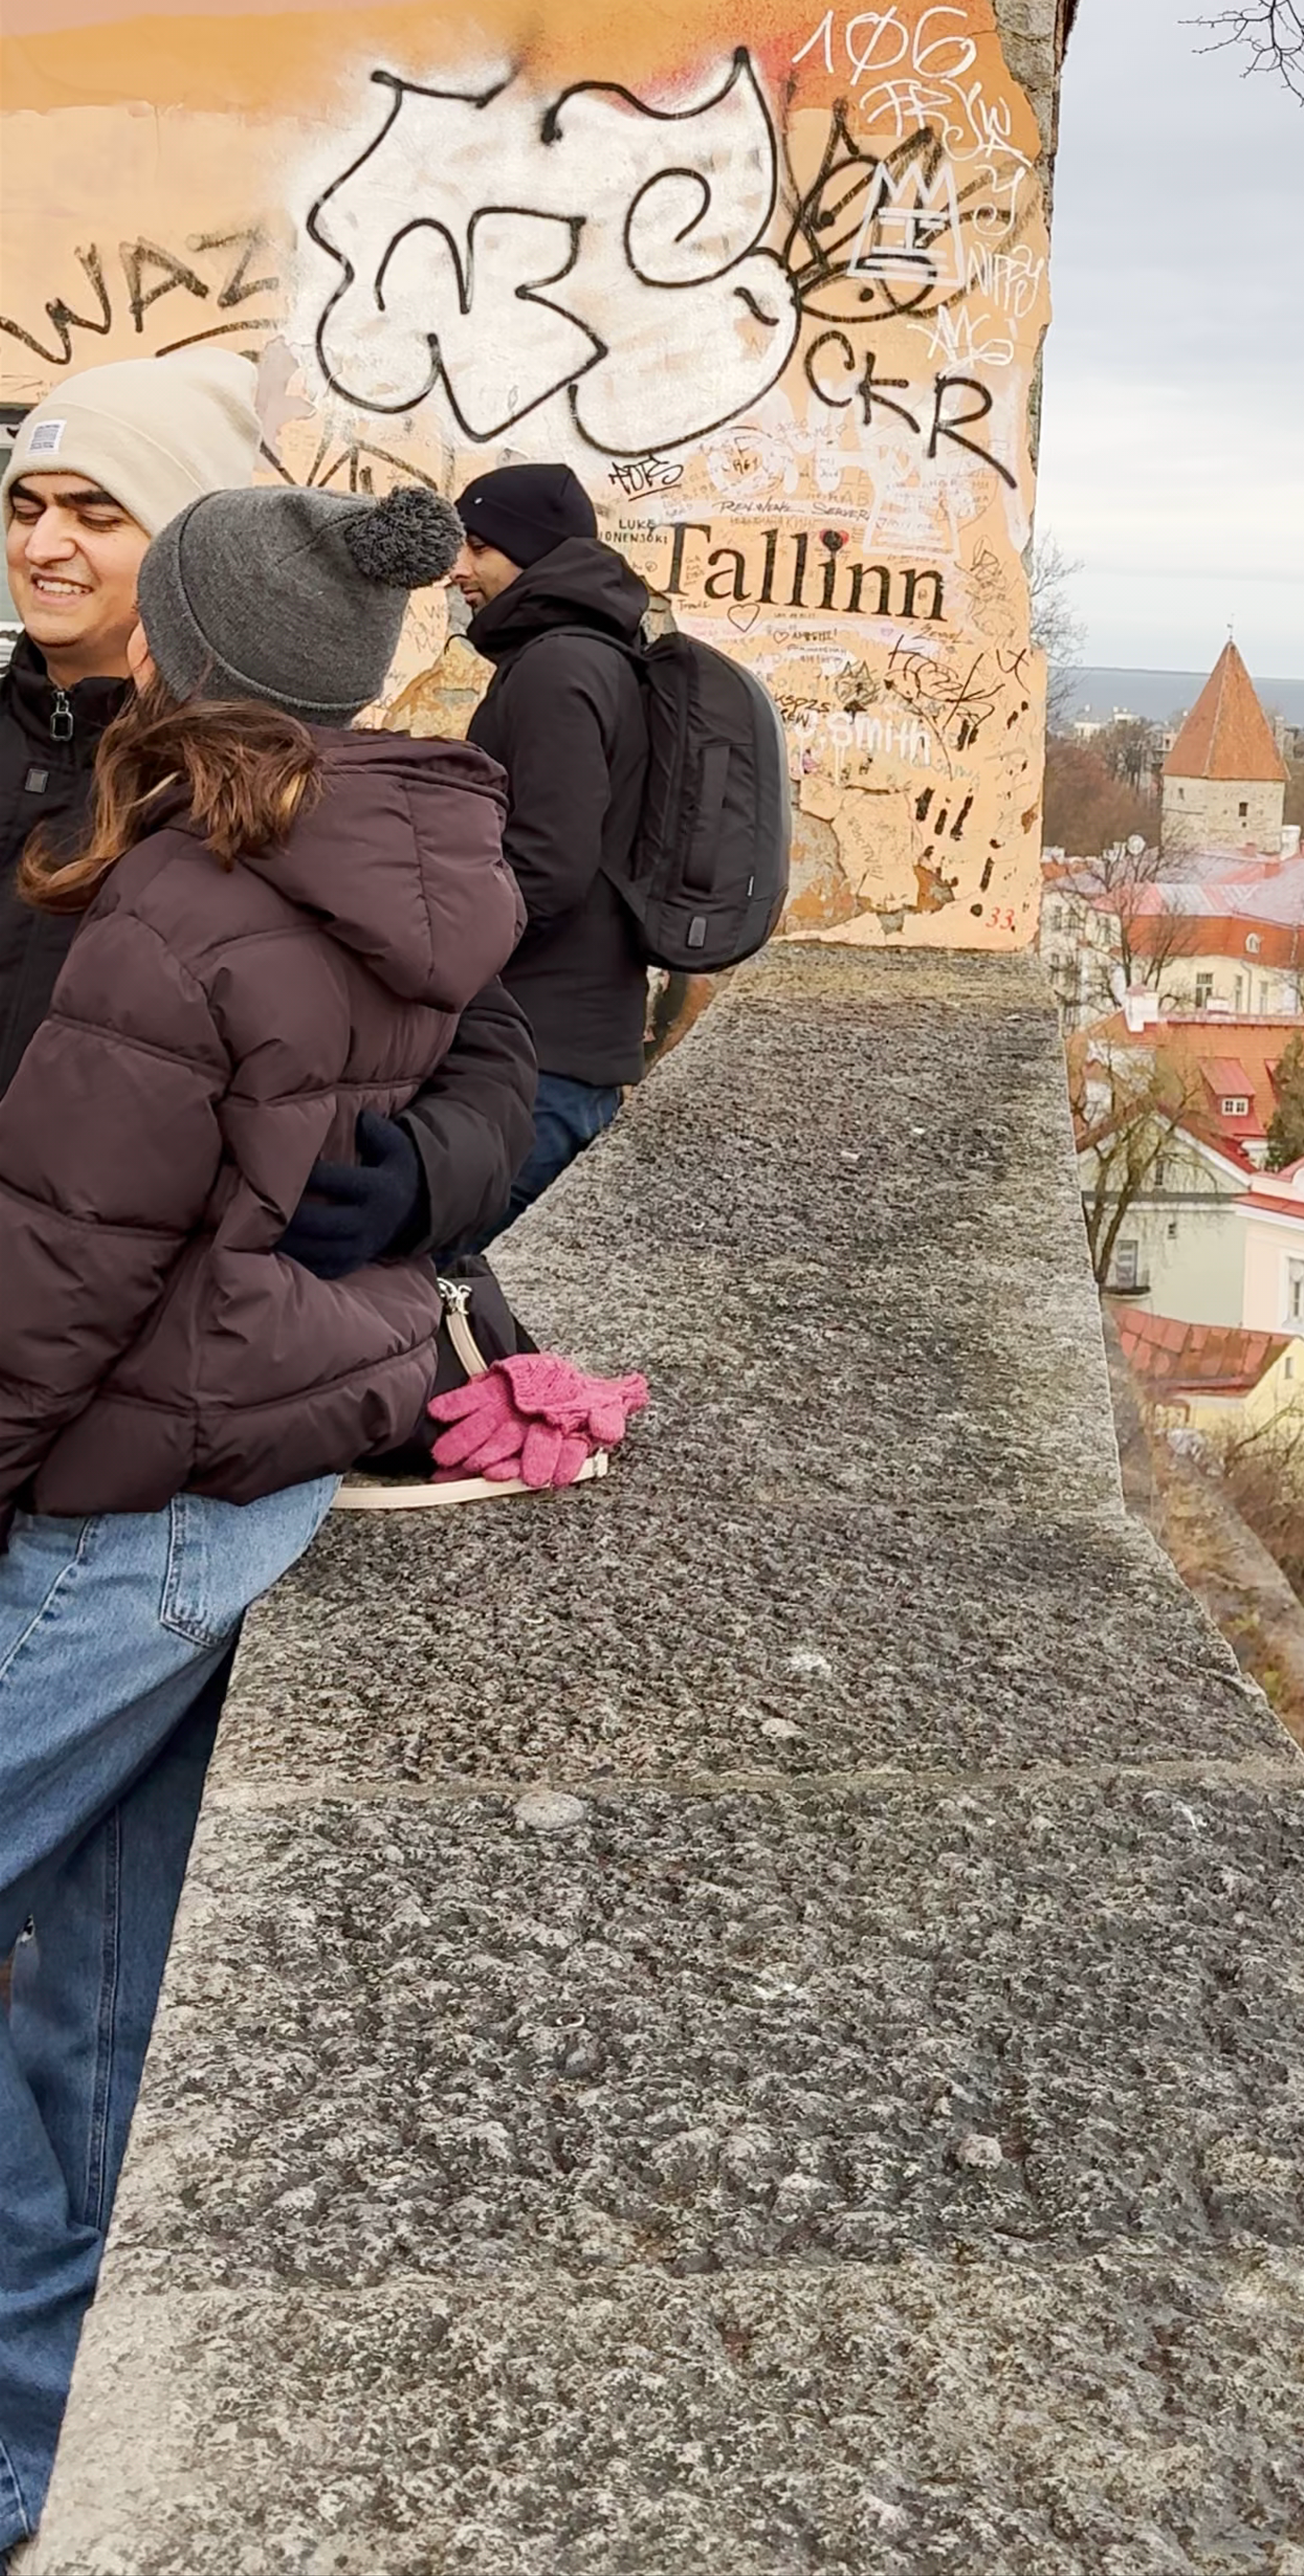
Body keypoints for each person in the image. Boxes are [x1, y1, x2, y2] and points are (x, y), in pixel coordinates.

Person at [0, 478, 524, 2544]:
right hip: (257, 1480)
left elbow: (60, 1265)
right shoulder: (402, 861)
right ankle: (34, 2449)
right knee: (96, 2012)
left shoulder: (182, 905)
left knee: (94, 2004)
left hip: (125, 1502)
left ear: (189, 652)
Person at [2, 354, 537, 1268]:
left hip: (129, 1301)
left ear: (180, 553)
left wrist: (423, 1175)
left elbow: (481, 1042)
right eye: (25, 508)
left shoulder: (273, 781)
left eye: (95, 515)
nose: (42, 545)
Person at [452, 462, 654, 1223]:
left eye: (479, 546)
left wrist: (438, 953)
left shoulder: (558, 665)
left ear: (533, 550)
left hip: (542, 1052)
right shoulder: (590, 652)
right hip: (560, 1043)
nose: (458, 568)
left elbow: (548, 864)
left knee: (449, 1267)